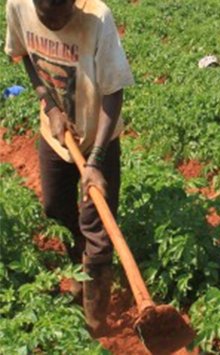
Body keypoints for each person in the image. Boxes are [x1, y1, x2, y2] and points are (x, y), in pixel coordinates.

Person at [5, 0, 134, 334]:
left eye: (61, 17)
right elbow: (26, 58)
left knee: (98, 234)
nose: (54, 24)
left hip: (97, 141)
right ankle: (78, 277)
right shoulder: (18, 6)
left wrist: (96, 161)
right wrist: (49, 106)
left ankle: (94, 323)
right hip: (56, 135)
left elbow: (113, 93)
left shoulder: (97, 18)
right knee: (55, 210)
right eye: (46, 17)